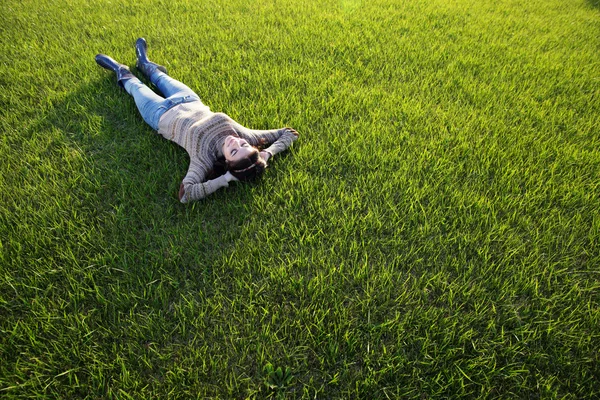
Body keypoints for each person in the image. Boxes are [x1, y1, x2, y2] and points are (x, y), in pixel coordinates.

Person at [95, 38, 299, 202]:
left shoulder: (204, 157)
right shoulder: (244, 135)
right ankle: (144, 62)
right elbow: (290, 133)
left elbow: (186, 194)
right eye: (244, 144)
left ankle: (119, 69)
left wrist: (226, 179)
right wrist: (268, 153)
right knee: (159, 77)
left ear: (227, 161)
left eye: (234, 151)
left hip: (159, 114)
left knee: (136, 87)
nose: (234, 141)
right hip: (188, 99)